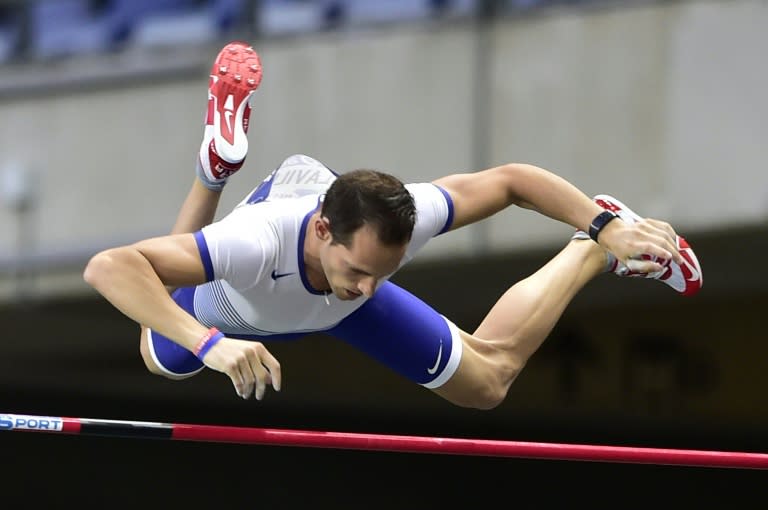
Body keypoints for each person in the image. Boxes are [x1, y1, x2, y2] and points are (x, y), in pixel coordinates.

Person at [83, 41, 702, 409]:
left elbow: (513, 181)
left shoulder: (397, 225)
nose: (368, 288)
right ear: (324, 232)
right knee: (163, 355)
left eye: (383, 273)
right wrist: (211, 344)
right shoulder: (255, 243)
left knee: (485, 386)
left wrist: (600, 228)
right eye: (359, 271)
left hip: (320, 273)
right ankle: (214, 170)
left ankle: (587, 256)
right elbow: (110, 266)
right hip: (242, 300)